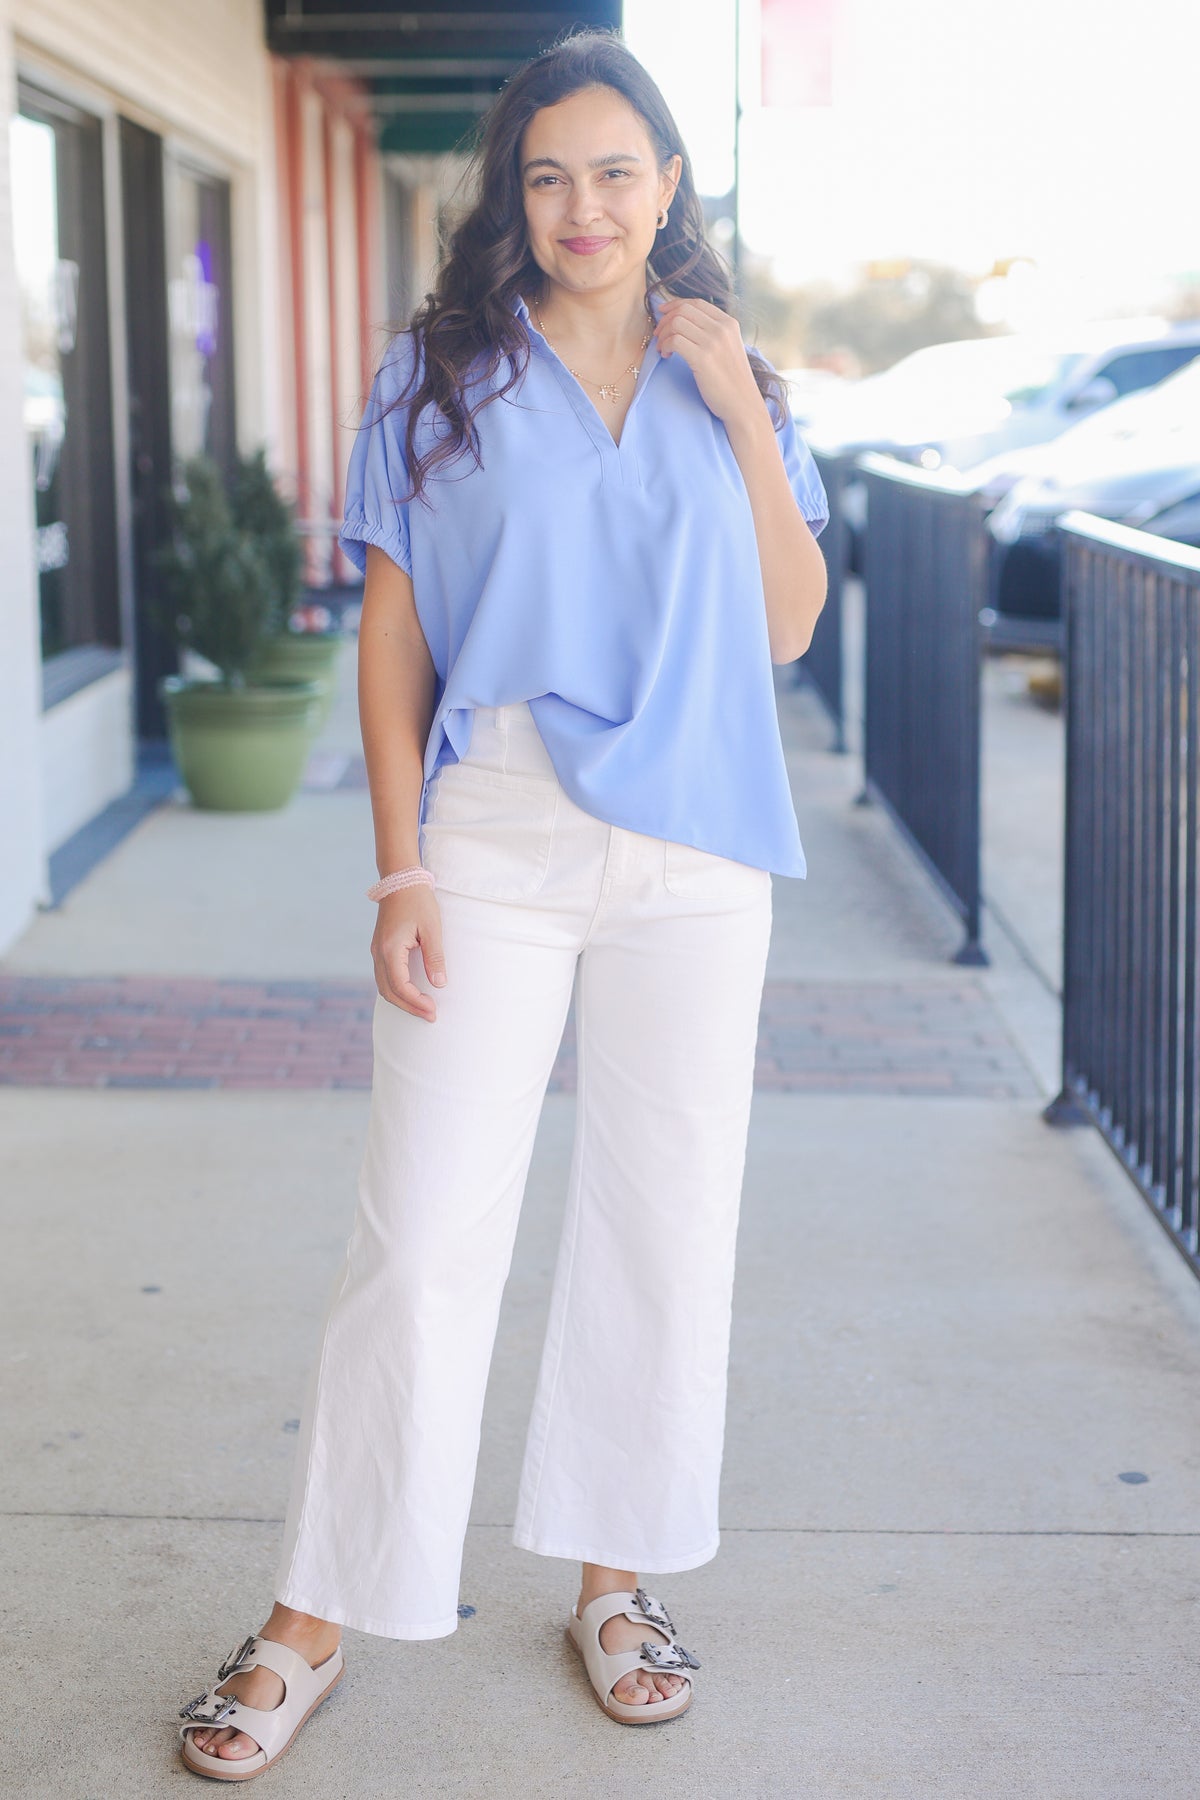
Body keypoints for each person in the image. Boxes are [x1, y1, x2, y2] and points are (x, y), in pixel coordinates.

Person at [175, 27, 828, 1779]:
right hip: (499, 828)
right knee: (423, 1229)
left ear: (671, 183)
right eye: (549, 176)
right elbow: (393, 641)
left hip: (698, 856)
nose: (583, 205)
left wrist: (744, 406)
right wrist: (398, 861)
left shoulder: (733, 378)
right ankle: (317, 1612)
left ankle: (615, 1586)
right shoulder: (438, 377)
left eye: (617, 171)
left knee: (664, 1222)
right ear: (513, 197)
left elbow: (786, 626)